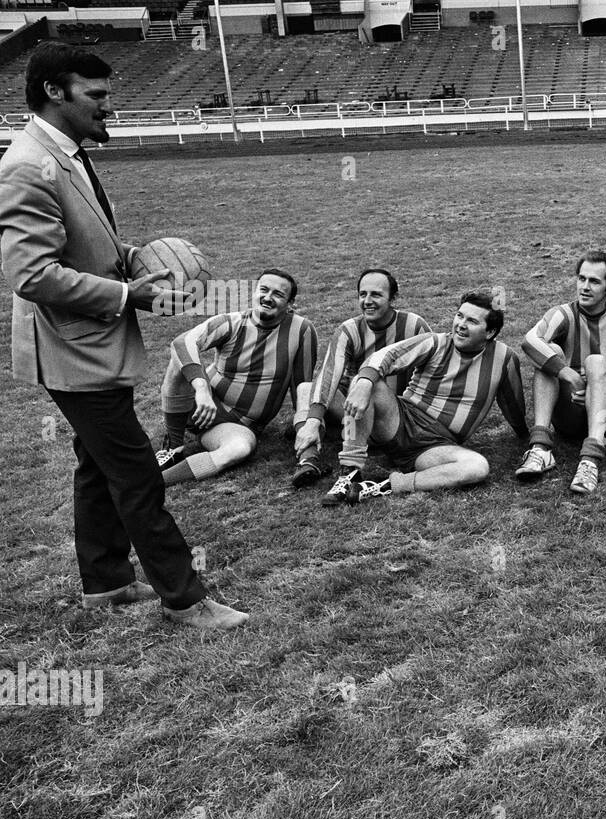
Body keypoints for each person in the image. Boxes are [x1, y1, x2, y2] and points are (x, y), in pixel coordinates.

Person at [0, 43, 245, 629]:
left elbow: (75, 244)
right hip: (72, 351)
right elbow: (32, 274)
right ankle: (185, 599)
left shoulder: (65, 153)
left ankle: (105, 583)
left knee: (96, 463)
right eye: (98, 95)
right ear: (55, 93)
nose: (109, 107)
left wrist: (132, 258)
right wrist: (125, 295)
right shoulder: (26, 167)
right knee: (136, 473)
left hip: (84, 345)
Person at [324, 290, 527, 504]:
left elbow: (512, 401)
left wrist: (524, 435)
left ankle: (386, 485)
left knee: (477, 467)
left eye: (472, 321)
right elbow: (387, 356)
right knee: (363, 381)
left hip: (435, 446)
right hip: (400, 421)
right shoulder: (435, 342)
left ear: (489, 332)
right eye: (459, 316)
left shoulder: (505, 358)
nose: (460, 324)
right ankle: (349, 471)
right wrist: (364, 382)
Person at [155, 268, 318, 487]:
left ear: (291, 304)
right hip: (200, 405)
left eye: (278, 294)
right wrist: (202, 390)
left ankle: (157, 481)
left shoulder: (302, 330)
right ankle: (173, 447)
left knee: (240, 449)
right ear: (253, 293)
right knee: (179, 358)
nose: (268, 298)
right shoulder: (232, 323)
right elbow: (182, 342)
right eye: (263, 290)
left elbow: (302, 389)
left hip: (238, 426)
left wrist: (307, 448)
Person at [290, 268, 429, 488]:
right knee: (306, 388)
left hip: (393, 414)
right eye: (362, 294)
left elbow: (430, 369)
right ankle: (309, 459)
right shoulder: (349, 329)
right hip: (354, 412)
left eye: (376, 294)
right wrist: (313, 421)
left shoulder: (414, 325)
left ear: (393, 298)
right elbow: (329, 374)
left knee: (363, 383)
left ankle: (346, 452)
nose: (367, 301)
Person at [515, 251, 606, 495]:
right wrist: (566, 374)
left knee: (596, 362)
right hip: (569, 414)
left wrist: (603, 392)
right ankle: (540, 448)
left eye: (594, 281)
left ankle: (590, 459)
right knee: (548, 353)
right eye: (581, 279)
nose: (585, 287)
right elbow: (530, 341)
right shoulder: (564, 313)